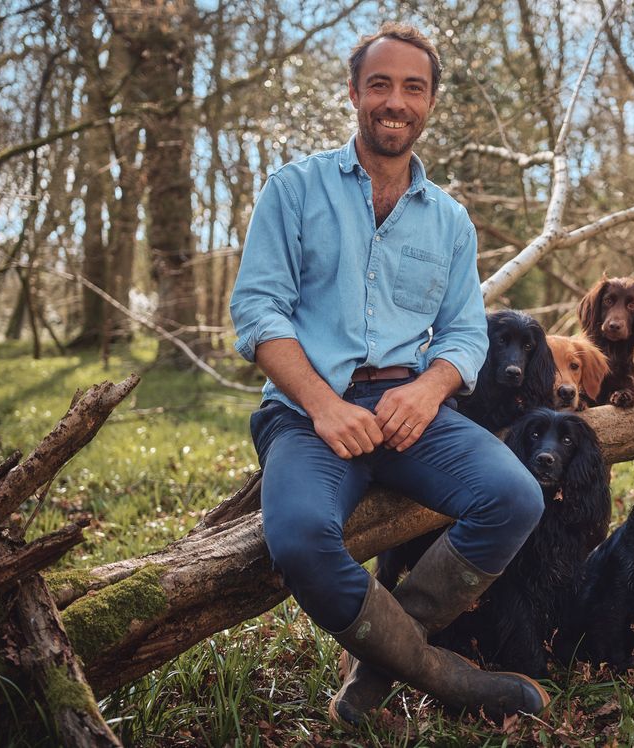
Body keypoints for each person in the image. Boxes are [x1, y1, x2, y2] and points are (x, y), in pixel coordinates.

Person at [229, 23, 548, 725]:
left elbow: (466, 334)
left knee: (515, 497)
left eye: (413, 87)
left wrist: (431, 387)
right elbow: (256, 311)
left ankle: (377, 663)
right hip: (308, 412)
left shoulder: (451, 221)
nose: (395, 100)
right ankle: (441, 674)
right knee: (301, 540)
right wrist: (321, 404)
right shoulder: (293, 189)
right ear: (354, 93)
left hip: (413, 407)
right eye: (380, 84)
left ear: (430, 101)